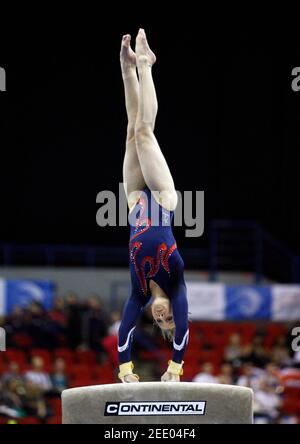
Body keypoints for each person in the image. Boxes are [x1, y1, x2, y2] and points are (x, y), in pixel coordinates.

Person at [118, 29, 189, 383]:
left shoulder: (139, 289)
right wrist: (174, 368)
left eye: (159, 321)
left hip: (133, 205)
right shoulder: (175, 285)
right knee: (146, 132)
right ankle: (146, 65)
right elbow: (185, 327)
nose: (162, 316)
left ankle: (127, 67)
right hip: (163, 199)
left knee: (132, 130)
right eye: (168, 319)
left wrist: (125, 368)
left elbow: (125, 326)